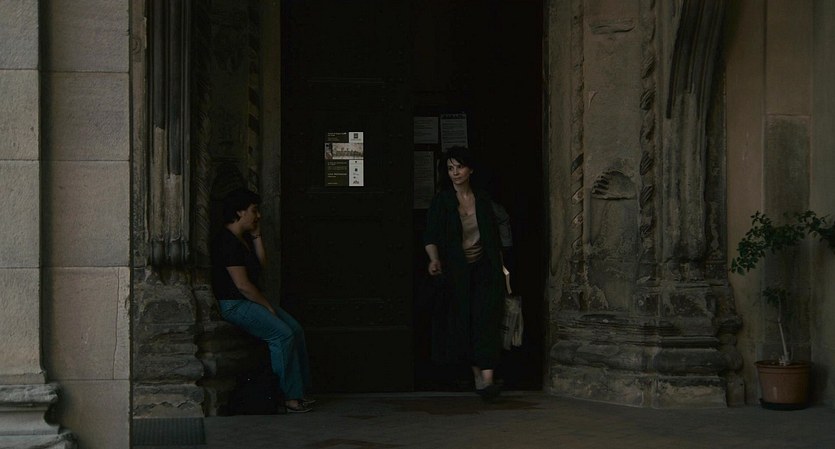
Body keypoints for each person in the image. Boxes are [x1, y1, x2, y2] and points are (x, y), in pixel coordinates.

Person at [211, 188, 314, 413]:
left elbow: (261, 266)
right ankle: (287, 398)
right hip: (234, 304)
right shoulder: (226, 241)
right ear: (239, 212)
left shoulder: (243, 239)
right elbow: (243, 285)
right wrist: (267, 307)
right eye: (254, 211)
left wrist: (257, 236)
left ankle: (301, 390)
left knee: (295, 329)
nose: (258, 216)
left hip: (249, 301)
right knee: (282, 334)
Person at [424, 146, 505, 401]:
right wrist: (434, 259)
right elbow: (431, 234)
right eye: (450, 168)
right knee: (464, 321)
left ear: (470, 169)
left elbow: (496, 234)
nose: (455, 172)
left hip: (484, 268)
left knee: (486, 319)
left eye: (459, 167)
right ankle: (478, 376)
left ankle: (488, 379)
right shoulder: (443, 201)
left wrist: (502, 265)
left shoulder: (483, 199)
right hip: (456, 271)